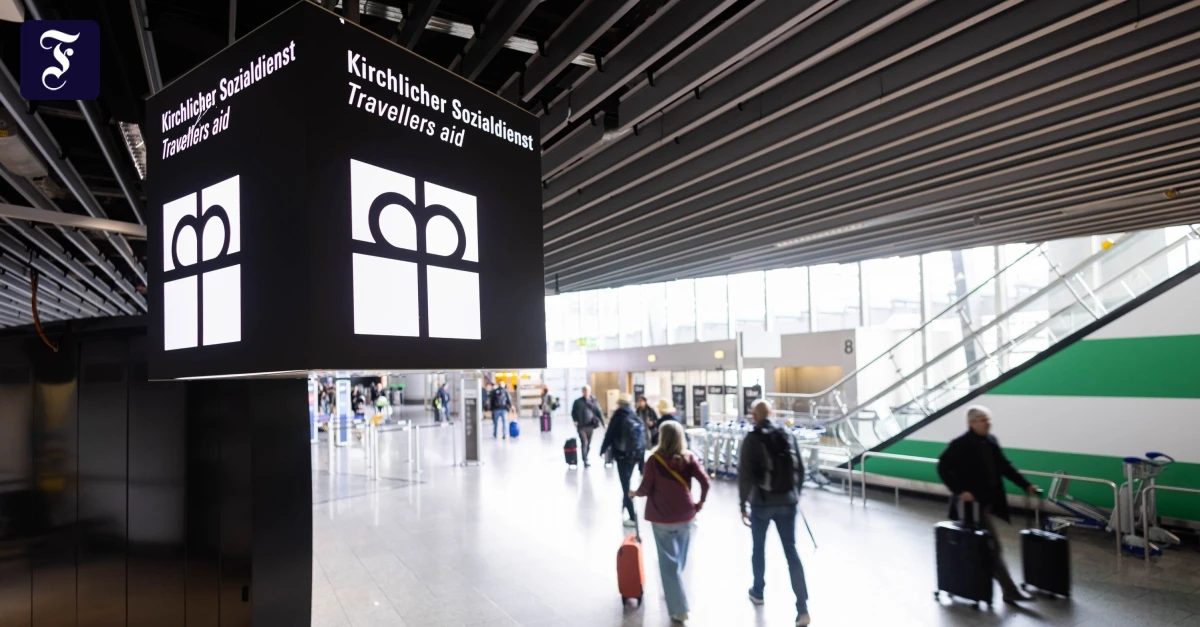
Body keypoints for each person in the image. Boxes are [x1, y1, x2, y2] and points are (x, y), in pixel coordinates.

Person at [937, 405, 1039, 604]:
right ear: (971, 422)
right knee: (991, 548)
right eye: (982, 419)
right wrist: (960, 490)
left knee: (985, 548)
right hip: (970, 507)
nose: (987, 422)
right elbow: (943, 467)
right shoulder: (961, 444)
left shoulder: (990, 441)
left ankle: (971, 582)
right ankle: (1009, 590)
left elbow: (1004, 467)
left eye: (987, 419)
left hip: (986, 503)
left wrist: (1025, 485)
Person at [738, 400, 810, 627]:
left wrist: (743, 504)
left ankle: (758, 591)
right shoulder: (787, 434)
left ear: (754, 417)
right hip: (788, 502)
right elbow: (801, 468)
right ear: (770, 414)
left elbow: (745, 475)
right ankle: (802, 609)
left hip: (762, 503)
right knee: (791, 551)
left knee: (758, 548)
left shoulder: (752, 439)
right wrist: (795, 494)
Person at [630, 420, 710, 624]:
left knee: (668, 565)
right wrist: (699, 503)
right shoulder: (688, 458)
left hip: (662, 517)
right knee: (679, 560)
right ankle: (674, 587)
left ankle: (679, 610)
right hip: (686, 515)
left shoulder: (654, 460)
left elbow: (646, 488)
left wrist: (634, 493)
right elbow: (705, 482)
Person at [600, 393, 645, 527]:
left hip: (622, 456)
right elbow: (642, 439)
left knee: (625, 486)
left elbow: (609, 434)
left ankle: (632, 517)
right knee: (626, 482)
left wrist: (602, 450)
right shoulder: (634, 416)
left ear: (620, 404)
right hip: (634, 456)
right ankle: (624, 507)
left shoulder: (618, 417)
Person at [571, 386, 604, 466]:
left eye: (587, 391)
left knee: (588, 444)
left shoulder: (593, 401)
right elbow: (573, 412)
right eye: (584, 391)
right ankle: (584, 460)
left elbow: (599, 412)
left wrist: (603, 423)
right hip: (581, 426)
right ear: (582, 392)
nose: (586, 392)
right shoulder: (577, 402)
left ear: (590, 391)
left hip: (590, 426)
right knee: (584, 442)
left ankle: (586, 456)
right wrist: (575, 420)